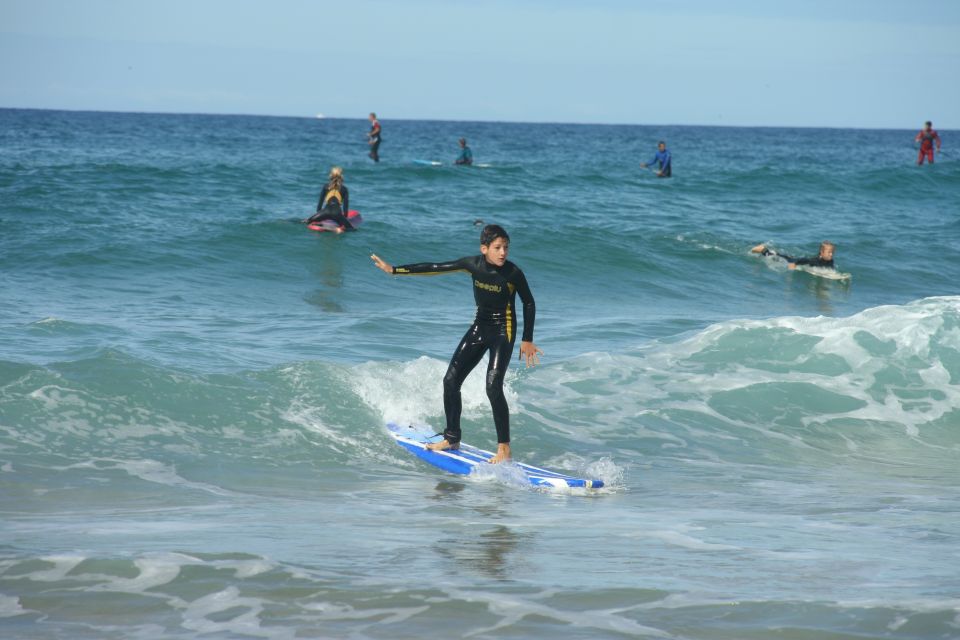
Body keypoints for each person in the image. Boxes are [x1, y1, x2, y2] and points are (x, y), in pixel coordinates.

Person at [370, 225, 542, 464]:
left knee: (493, 387)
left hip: (504, 332)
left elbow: (529, 303)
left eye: (506, 248)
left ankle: (504, 449)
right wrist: (394, 270)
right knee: (450, 381)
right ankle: (452, 438)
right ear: (484, 249)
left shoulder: (513, 273)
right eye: (497, 248)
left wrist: (527, 339)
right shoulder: (473, 265)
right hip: (479, 328)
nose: (503, 253)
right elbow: (435, 268)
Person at [305, 166, 355, 232]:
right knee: (352, 229)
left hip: (325, 212)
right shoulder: (344, 189)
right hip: (337, 213)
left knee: (307, 221)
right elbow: (345, 209)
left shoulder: (325, 186)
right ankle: (337, 230)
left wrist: (320, 216)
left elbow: (319, 206)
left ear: (331, 175)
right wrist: (344, 219)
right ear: (341, 176)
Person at [751, 241, 836, 269]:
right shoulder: (814, 260)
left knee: (785, 256)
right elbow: (802, 260)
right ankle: (762, 249)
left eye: (832, 252)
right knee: (772, 257)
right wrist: (793, 265)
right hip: (793, 261)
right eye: (829, 252)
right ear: (821, 252)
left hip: (793, 258)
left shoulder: (830, 260)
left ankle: (775, 252)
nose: (831, 254)